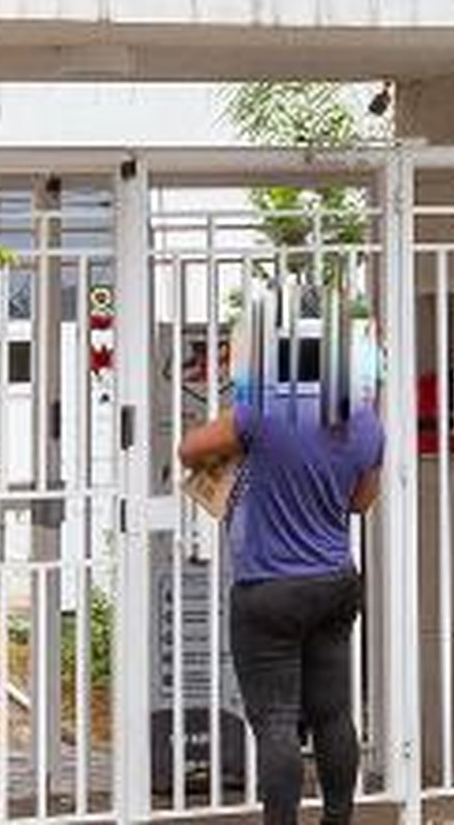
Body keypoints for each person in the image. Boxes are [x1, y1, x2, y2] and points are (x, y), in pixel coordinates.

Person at [182, 323, 384, 825]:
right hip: (334, 583)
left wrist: (245, 450)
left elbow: (189, 449)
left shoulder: (264, 411)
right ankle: (338, 819)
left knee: (275, 721)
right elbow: (362, 502)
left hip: (268, 588)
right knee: (333, 714)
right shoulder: (363, 420)